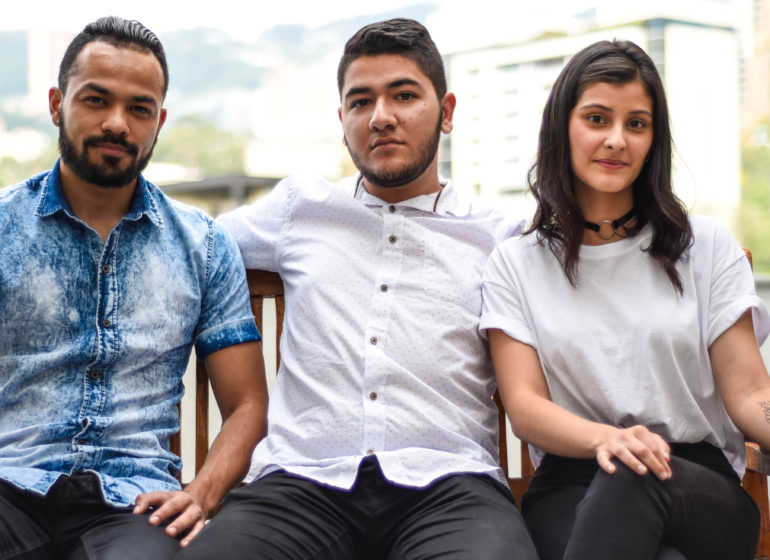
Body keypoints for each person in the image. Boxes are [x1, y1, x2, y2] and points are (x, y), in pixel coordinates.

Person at [177, 18, 538, 560]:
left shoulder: (498, 236)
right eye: (361, 101)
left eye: (404, 96)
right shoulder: (301, 209)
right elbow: (186, 245)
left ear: (447, 112)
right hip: (300, 482)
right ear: (342, 120)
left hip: (449, 485)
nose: (381, 117)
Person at [481, 38, 770, 560]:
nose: (616, 140)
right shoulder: (516, 263)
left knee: (634, 477)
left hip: (696, 484)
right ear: (562, 128)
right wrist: (606, 440)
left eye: (636, 124)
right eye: (597, 119)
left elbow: (750, 393)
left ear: (653, 140)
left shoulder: (705, 247)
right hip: (571, 483)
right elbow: (524, 406)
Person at [0, 16, 268, 560]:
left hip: (134, 504)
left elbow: (247, 404)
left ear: (159, 121)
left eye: (139, 109)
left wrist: (200, 496)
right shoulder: (4, 227)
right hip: (10, 483)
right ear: (57, 104)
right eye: (96, 100)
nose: (116, 124)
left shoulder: (203, 246)